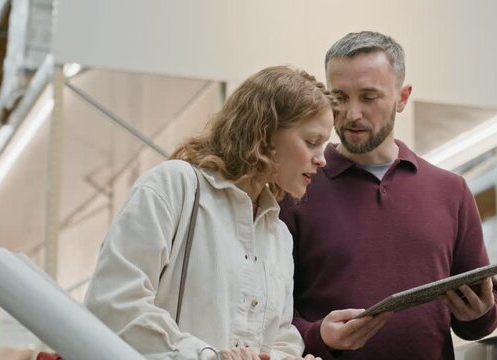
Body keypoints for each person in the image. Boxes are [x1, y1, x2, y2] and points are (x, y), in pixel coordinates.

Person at [84, 66, 337, 360]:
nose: (322, 160)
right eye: (311, 142)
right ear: (265, 133)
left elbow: (282, 336)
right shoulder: (173, 186)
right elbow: (112, 304)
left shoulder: (278, 234)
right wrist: (206, 356)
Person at [279, 31, 497, 359]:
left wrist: (478, 314)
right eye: (339, 97)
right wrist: (317, 335)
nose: (352, 113)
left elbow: (483, 318)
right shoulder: (297, 187)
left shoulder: (450, 191)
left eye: (369, 97)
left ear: (402, 97)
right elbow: (266, 314)